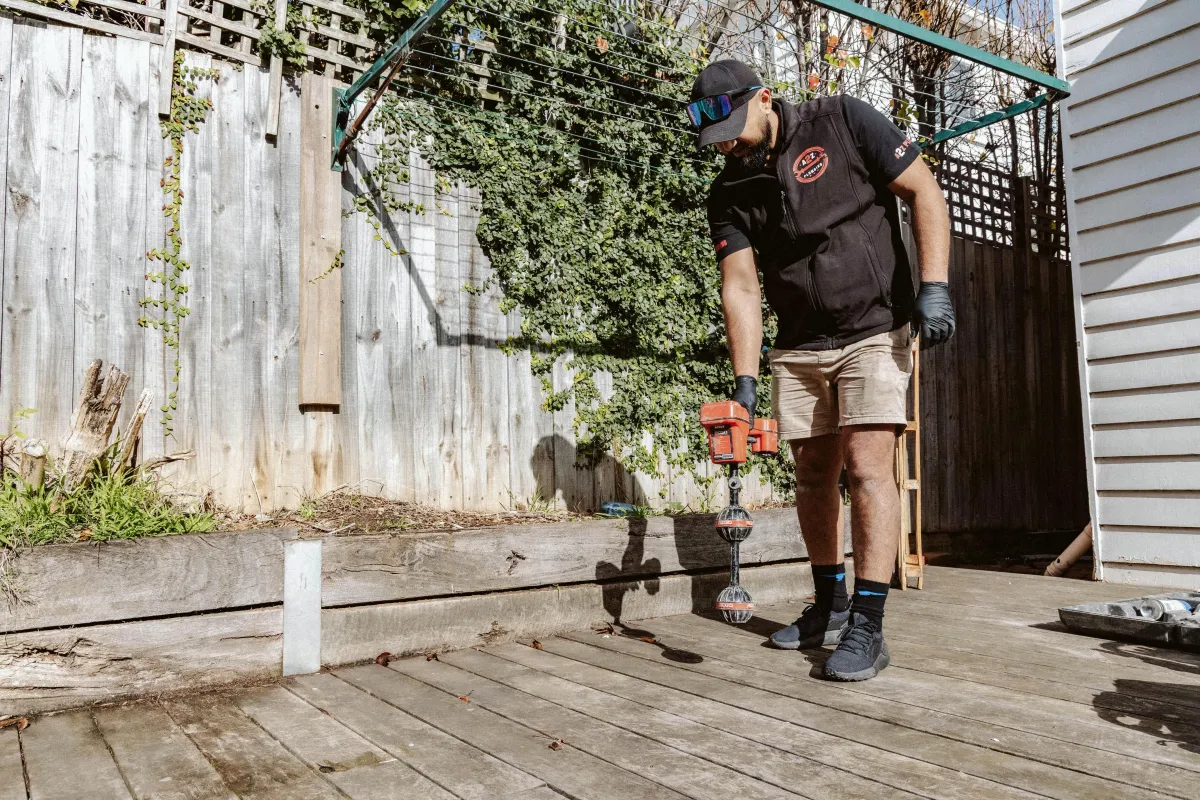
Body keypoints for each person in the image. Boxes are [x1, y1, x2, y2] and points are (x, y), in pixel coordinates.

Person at [689, 60, 955, 681]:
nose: (727, 142)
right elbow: (742, 287)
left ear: (765, 99)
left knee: (867, 467)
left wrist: (934, 286)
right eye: (715, 135)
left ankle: (868, 622)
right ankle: (829, 601)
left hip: (872, 327)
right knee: (812, 474)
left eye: (733, 125)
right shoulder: (728, 192)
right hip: (800, 345)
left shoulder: (842, 121)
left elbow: (924, 190)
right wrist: (746, 383)